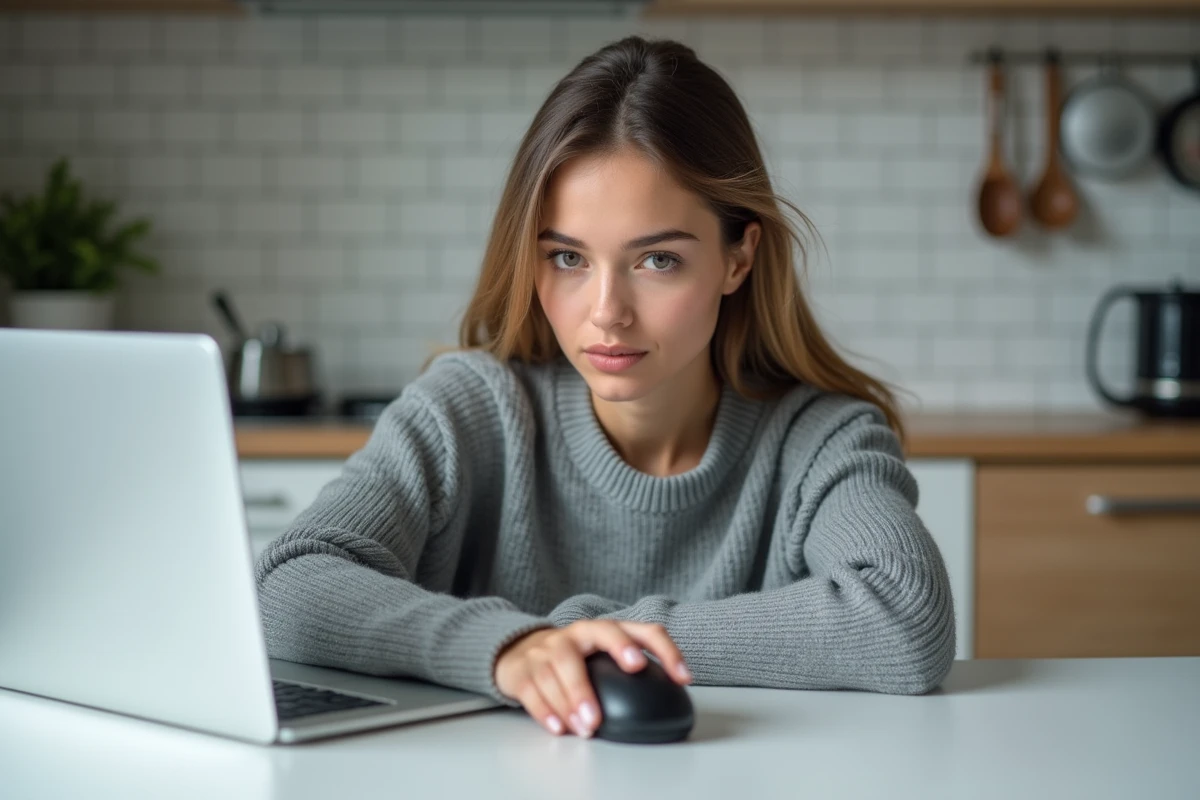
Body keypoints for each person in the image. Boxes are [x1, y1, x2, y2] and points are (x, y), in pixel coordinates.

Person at [254, 35, 955, 741]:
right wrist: (506, 649)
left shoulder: (820, 438)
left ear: (738, 258)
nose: (606, 312)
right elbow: (287, 588)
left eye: (656, 260)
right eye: (567, 258)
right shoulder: (468, 410)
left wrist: (592, 636)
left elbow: (905, 614)